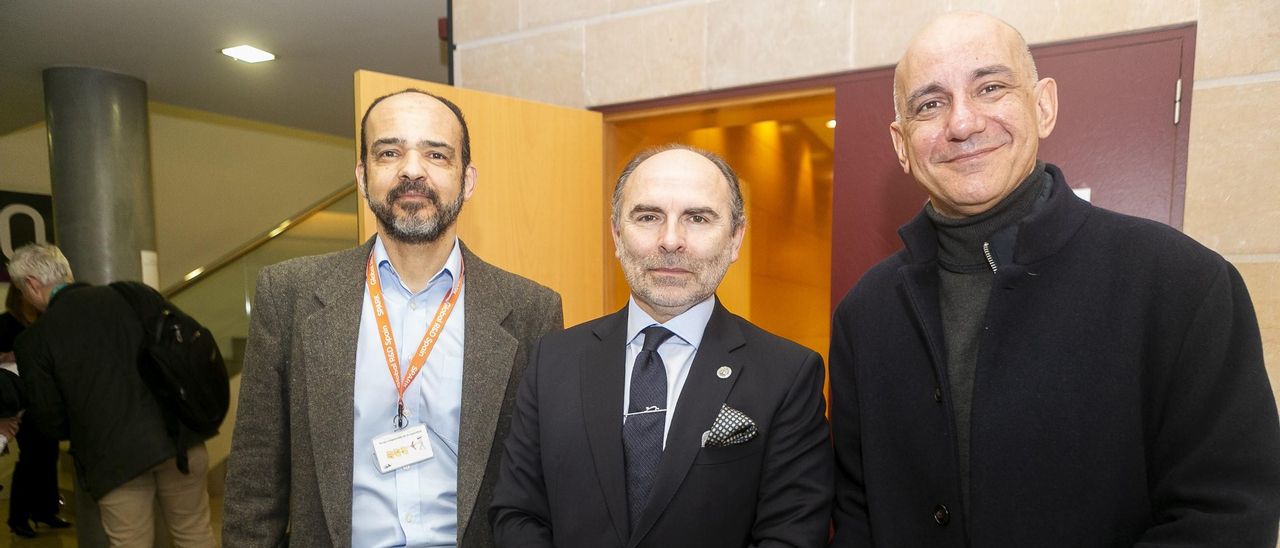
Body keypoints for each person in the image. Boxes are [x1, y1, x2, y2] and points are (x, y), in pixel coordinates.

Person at [828, 11, 1280, 547]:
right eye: (930, 104)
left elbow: (1226, 518)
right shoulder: (865, 313)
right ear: (902, 144)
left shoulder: (1182, 283)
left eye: (990, 87)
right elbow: (857, 516)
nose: (963, 123)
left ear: (1043, 106)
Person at [222, 89, 564, 548]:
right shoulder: (290, 295)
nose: (412, 170)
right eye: (389, 152)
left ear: (467, 179)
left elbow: (542, 489)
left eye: (437, 154)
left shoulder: (530, 310)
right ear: (363, 177)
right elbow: (254, 484)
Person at [491, 145, 833, 547]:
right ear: (617, 234)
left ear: (736, 238)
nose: (671, 240)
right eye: (649, 217)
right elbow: (517, 513)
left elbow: (791, 534)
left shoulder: (787, 375)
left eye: (698, 218)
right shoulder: (554, 360)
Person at [9, 243, 216, 546]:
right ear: (66, 272)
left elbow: (50, 421)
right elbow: (189, 346)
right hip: (180, 439)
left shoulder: (34, 341)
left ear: (30, 285)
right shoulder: (134, 294)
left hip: (114, 460)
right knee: (195, 533)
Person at [0, 283, 68, 538]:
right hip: (21, 400)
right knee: (30, 458)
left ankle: (45, 511)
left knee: (48, 454)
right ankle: (18, 517)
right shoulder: (6, 323)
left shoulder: (44, 321)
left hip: (46, 398)